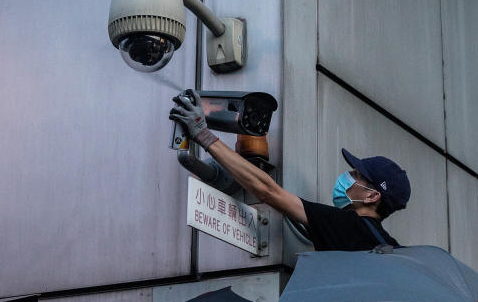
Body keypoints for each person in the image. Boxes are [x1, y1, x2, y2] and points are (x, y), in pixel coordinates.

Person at [170, 90, 411, 251]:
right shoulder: (390, 248)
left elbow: (266, 190)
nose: (348, 177)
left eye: (357, 175)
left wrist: (203, 134)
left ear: (372, 196)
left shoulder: (346, 225)